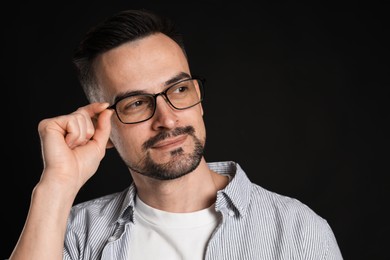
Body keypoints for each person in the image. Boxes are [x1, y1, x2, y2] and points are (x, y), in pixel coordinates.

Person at [9, 8, 343, 260]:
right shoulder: (72, 235)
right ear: (104, 126)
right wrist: (56, 185)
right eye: (137, 102)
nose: (167, 120)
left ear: (199, 101)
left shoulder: (299, 231)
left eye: (179, 89)